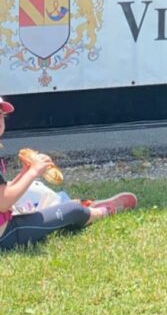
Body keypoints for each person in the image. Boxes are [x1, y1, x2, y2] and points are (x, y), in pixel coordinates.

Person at [0, 97, 136, 252]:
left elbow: (4, 192)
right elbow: (4, 203)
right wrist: (33, 171)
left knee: (35, 189)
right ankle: (103, 211)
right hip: (5, 235)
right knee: (73, 210)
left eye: (0, 114)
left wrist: (25, 172)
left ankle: (80, 207)